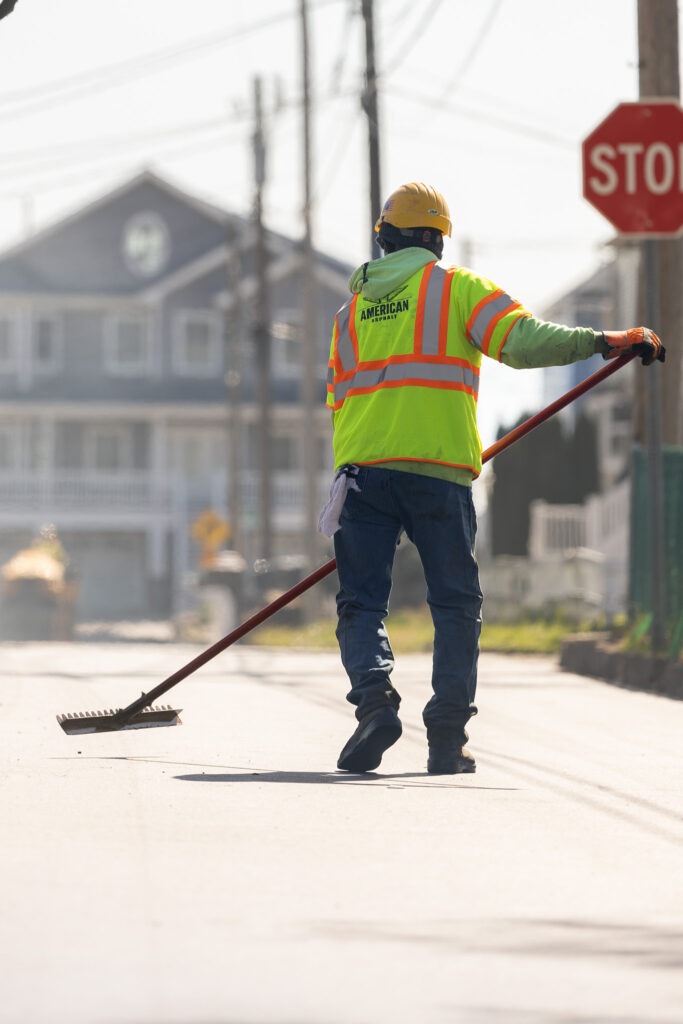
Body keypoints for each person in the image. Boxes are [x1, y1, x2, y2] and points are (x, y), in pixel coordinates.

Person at [321, 182, 665, 776]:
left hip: (362, 476)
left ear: (384, 236)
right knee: (455, 604)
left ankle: (374, 703)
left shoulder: (349, 314)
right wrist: (602, 341)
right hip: (437, 471)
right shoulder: (455, 288)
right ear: (437, 239)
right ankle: (447, 738)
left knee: (360, 604)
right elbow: (523, 341)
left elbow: (338, 400)